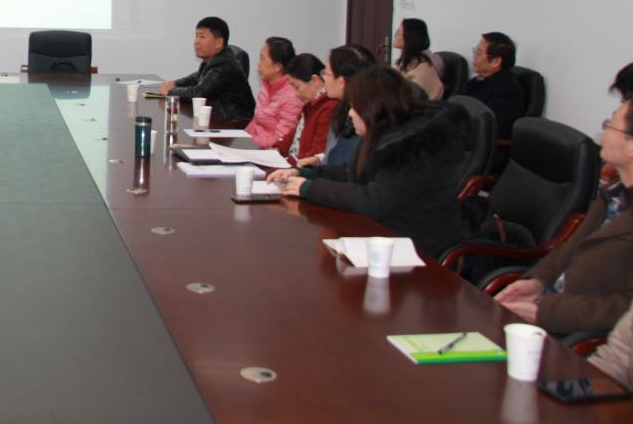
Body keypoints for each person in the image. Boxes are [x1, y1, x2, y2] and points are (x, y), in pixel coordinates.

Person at [268, 66, 466, 259]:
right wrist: (307, 174)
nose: (350, 114)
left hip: (418, 249)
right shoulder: (385, 133)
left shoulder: (414, 148)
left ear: (372, 108)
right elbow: (353, 172)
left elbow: (373, 200)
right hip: (384, 235)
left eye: (354, 107)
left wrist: (309, 188)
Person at [494, 63, 633, 335]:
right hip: (546, 311)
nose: (603, 131)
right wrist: (537, 281)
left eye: (609, 125)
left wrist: (545, 312)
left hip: (577, 336)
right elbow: (570, 248)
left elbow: (624, 310)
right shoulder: (613, 192)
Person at [158, 16, 255, 123]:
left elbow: (199, 93)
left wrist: (170, 91)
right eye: (196, 36)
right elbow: (196, 77)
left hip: (235, 125)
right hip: (219, 120)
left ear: (219, 43)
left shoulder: (224, 65)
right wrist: (175, 83)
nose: (196, 41)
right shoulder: (214, 59)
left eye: (202, 37)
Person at [295, 46, 376, 169]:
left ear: (341, 82)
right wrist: (319, 159)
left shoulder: (361, 119)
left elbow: (346, 165)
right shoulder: (342, 108)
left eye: (326, 73)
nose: (323, 78)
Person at [457, 31, 526, 139]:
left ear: (496, 61)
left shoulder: (507, 90)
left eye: (479, 53)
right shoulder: (480, 79)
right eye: (475, 51)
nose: (474, 56)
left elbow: (485, 126)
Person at [245, 37, 303, 150]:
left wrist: (250, 141)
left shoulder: (292, 97)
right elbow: (255, 122)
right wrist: (241, 138)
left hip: (270, 152)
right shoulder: (267, 86)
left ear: (278, 67)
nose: (259, 64)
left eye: (262, 59)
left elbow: (281, 139)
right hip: (254, 146)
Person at [286, 53, 338, 162]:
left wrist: (290, 162)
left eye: (297, 87)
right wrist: (277, 147)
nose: (296, 93)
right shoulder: (311, 104)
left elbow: (317, 152)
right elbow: (294, 135)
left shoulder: (329, 107)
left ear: (315, 80)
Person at [393, 18, 444, 101]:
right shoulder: (405, 61)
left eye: (398, 33)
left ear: (409, 37)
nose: (395, 35)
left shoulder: (423, 68)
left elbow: (414, 99)